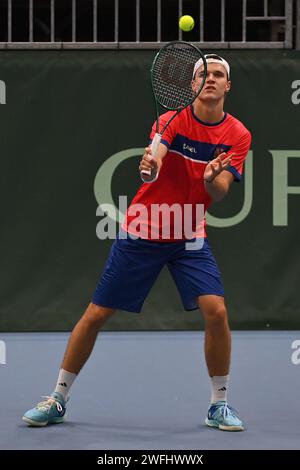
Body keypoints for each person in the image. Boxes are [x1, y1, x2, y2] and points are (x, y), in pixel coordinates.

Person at [23, 54, 251, 431]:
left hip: (189, 233)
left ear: (228, 85)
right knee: (96, 314)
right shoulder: (170, 120)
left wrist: (212, 177)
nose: (210, 79)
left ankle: (219, 405)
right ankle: (57, 398)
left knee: (217, 311)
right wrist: (150, 166)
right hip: (143, 230)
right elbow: (155, 159)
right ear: (192, 85)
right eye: (203, 74)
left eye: (218, 75)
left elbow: (221, 190)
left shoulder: (238, 135)